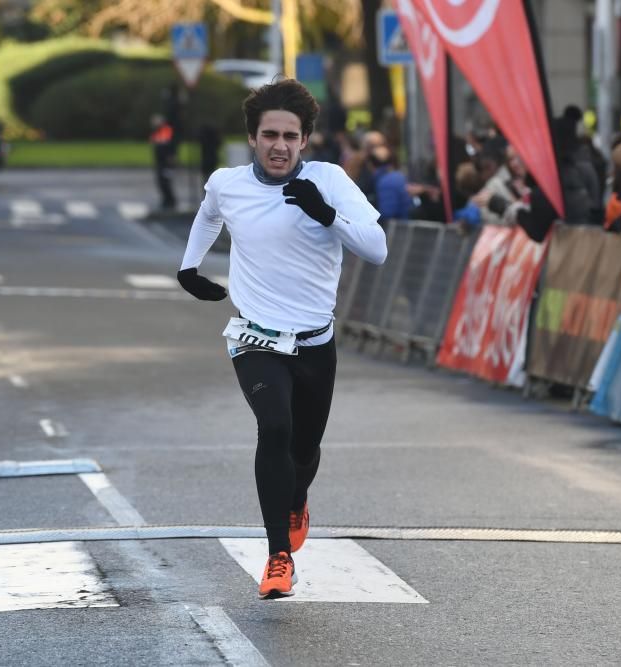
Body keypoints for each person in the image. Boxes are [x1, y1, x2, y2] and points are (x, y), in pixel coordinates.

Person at [176, 79, 387, 599]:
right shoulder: (228, 183)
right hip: (256, 335)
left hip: (315, 340)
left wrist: (326, 214)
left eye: (290, 136)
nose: (279, 146)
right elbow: (208, 214)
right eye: (269, 134)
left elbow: (378, 248)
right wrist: (188, 267)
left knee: (304, 449)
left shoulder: (330, 181)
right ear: (252, 137)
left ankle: (297, 501)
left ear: (305, 140)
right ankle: (277, 557)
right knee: (274, 427)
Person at [150, 113, 176, 211]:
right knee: (161, 181)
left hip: (166, 162)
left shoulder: (166, 130)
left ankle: (170, 201)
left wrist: (171, 158)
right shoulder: (157, 131)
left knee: (166, 182)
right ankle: (166, 200)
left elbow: (168, 145)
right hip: (160, 161)